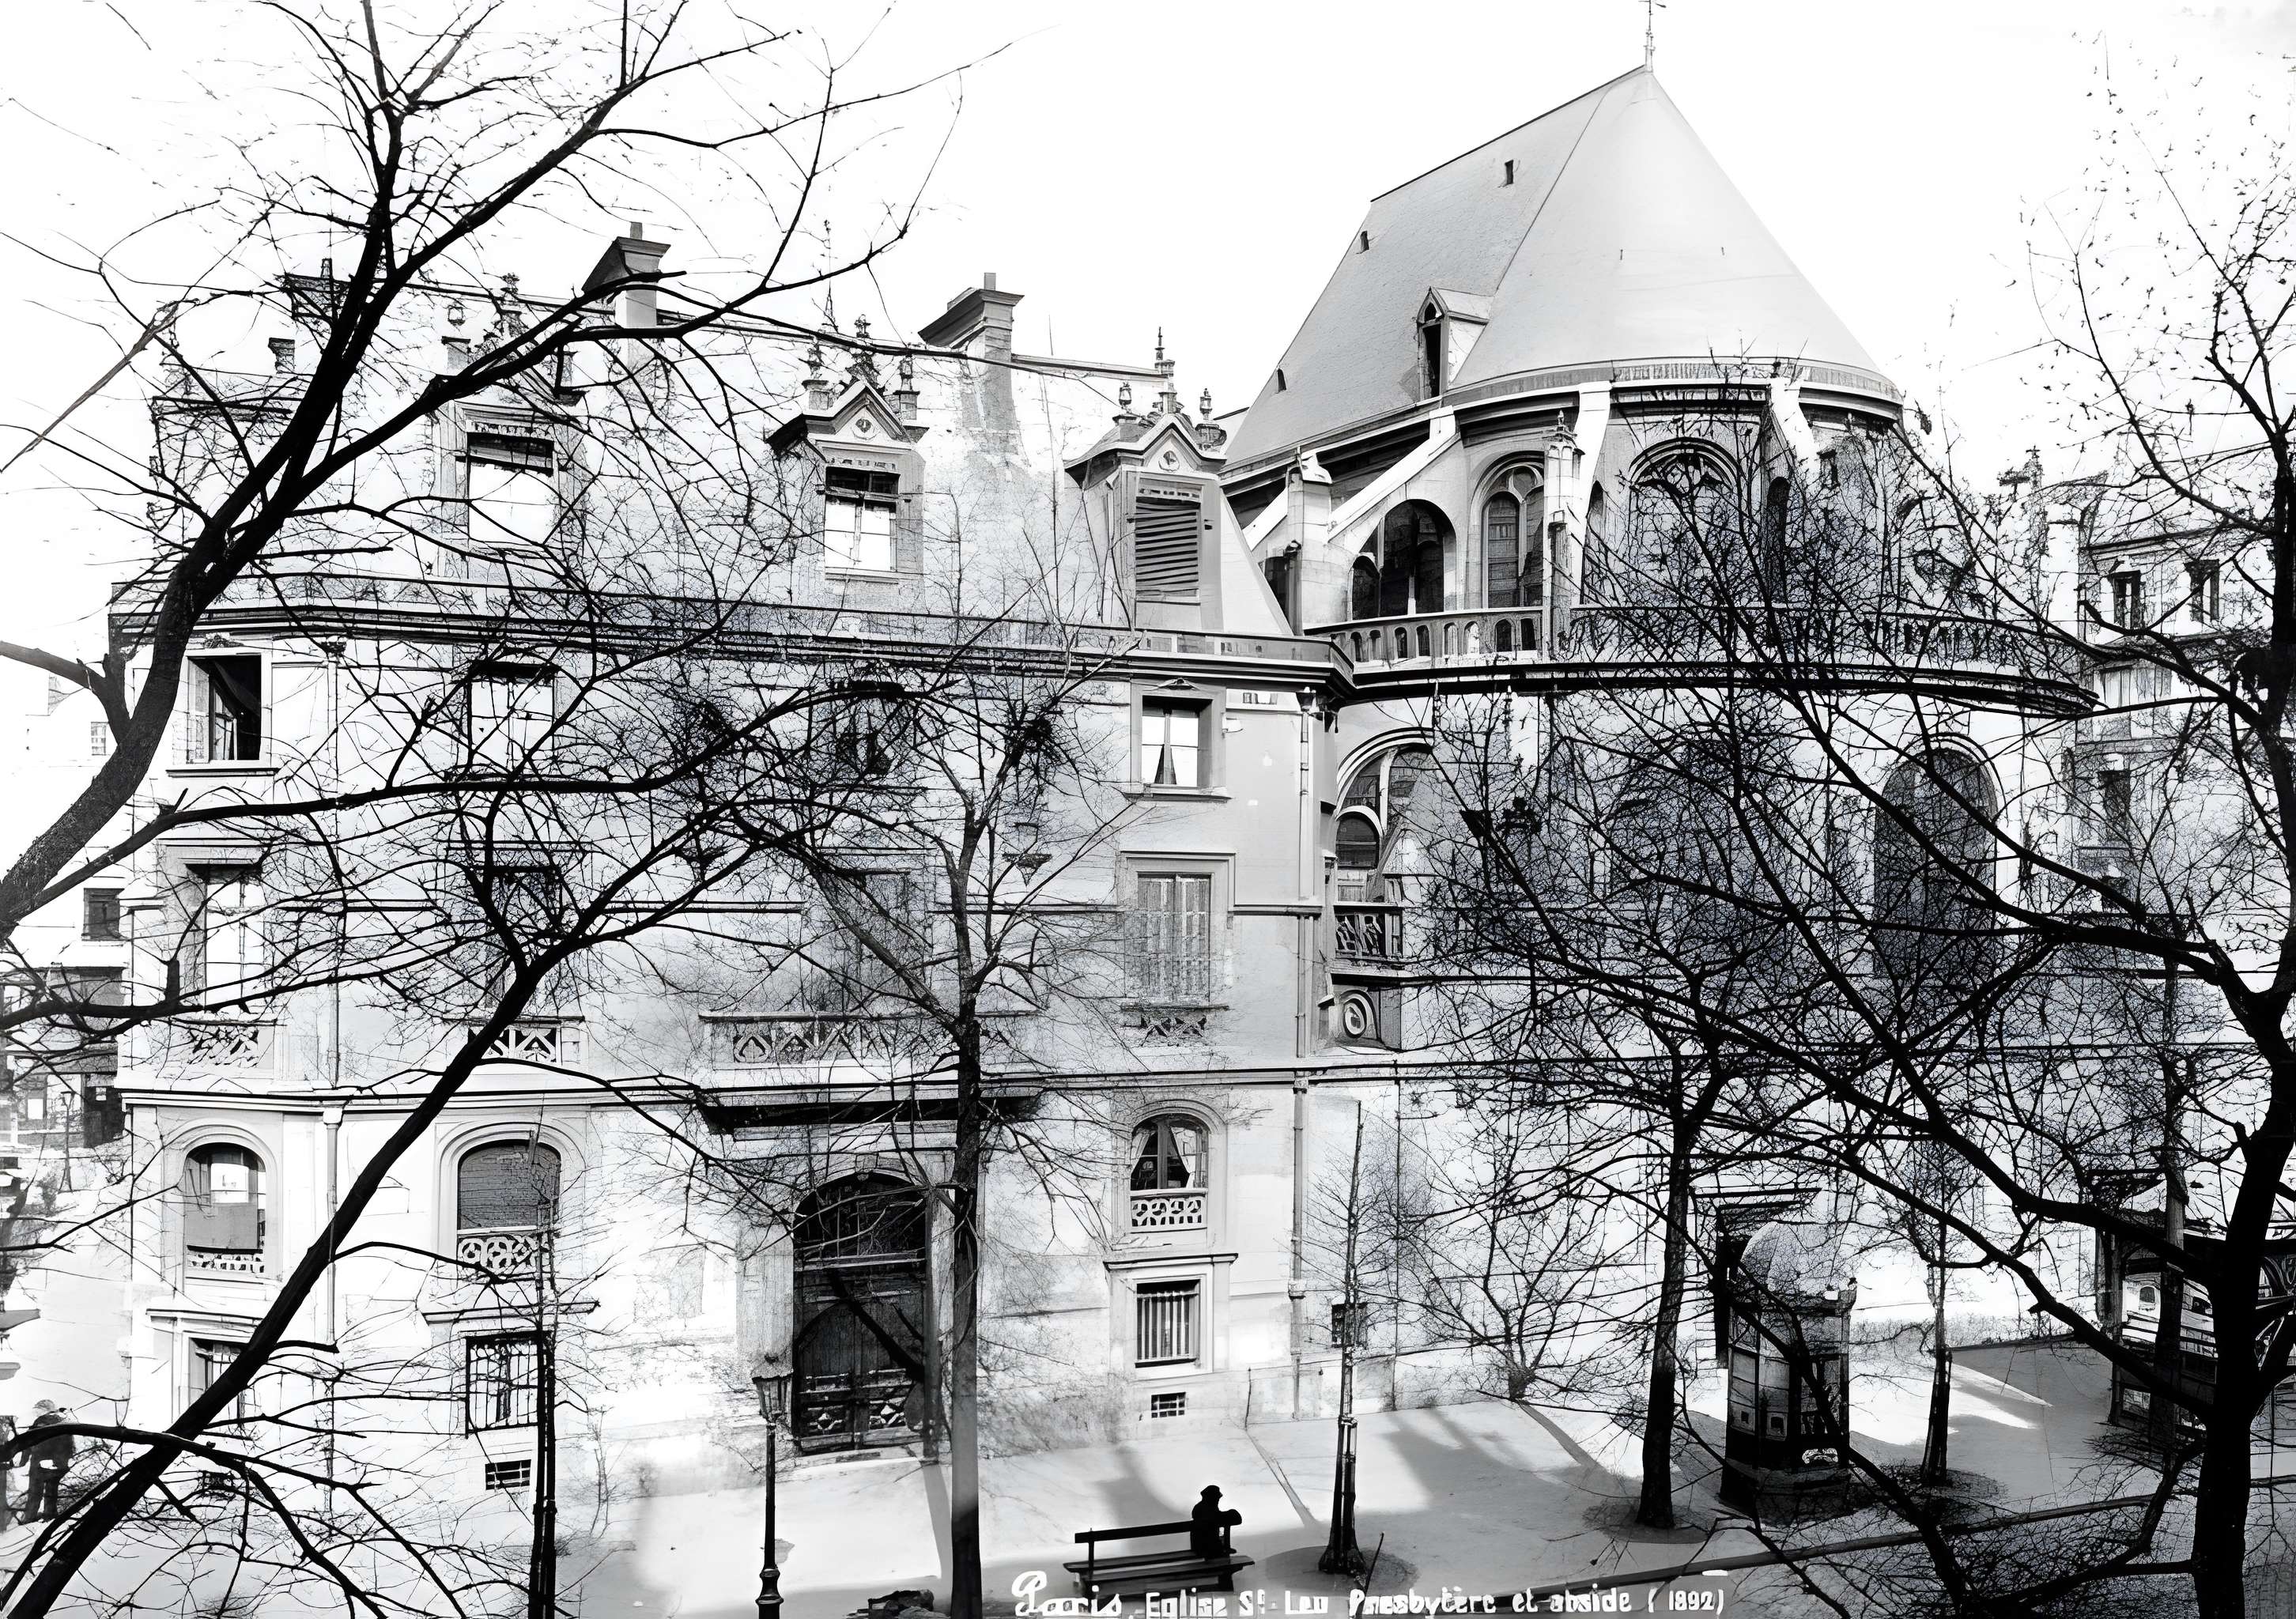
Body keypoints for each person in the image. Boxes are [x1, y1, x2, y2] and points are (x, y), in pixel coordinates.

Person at [21, 1400, 71, 1523]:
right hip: (57, 1463)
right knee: (51, 1490)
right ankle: (49, 1514)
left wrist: (23, 1460)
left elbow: (28, 1441)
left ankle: (30, 1517)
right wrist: (64, 1462)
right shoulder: (64, 1422)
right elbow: (69, 1445)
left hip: (38, 1462)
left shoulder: (39, 1422)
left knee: (35, 1492)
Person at [1189, 1484, 1241, 1559]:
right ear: (1212, 1498)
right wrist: (1231, 1512)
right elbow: (1236, 1519)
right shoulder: (1209, 1511)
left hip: (1198, 1548)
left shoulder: (1198, 1508)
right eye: (1217, 1498)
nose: (1218, 1500)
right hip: (1209, 1548)